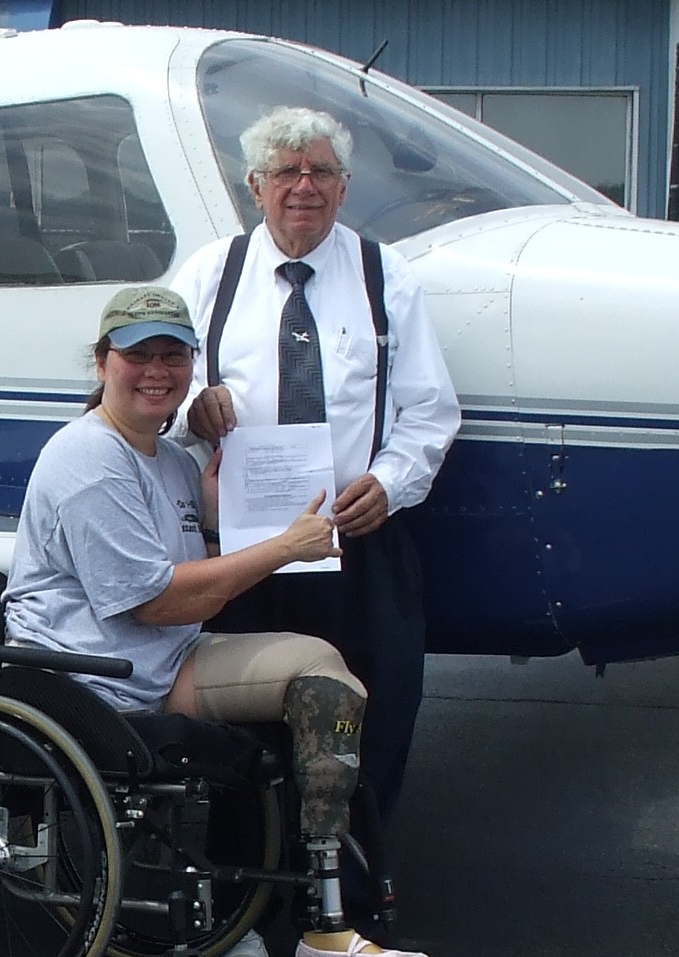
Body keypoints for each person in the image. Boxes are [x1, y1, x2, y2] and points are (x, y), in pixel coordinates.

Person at [3, 285, 432, 957]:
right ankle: (319, 927)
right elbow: (160, 603)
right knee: (320, 682)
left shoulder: (168, 460)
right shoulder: (87, 457)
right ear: (103, 362)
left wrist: (208, 517)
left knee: (326, 675)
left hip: (157, 662)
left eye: (174, 355)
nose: (157, 370)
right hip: (92, 675)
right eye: (138, 354)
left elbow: (183, 575)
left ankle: (321, 921)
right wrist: (286, 547)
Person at [171, 106, 461, 836]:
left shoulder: (383, 277)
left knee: (372, 717)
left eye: (321, 171)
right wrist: (191, 413)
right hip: (245, 548)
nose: (305, 185)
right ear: (256, 186)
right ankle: (247, 903)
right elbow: (150, 390)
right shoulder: (212, 274)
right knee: (240, 731)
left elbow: (430, 411)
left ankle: (347, 910)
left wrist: (390, 485)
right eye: (287, 172)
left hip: (355, 543)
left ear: (344, 185)